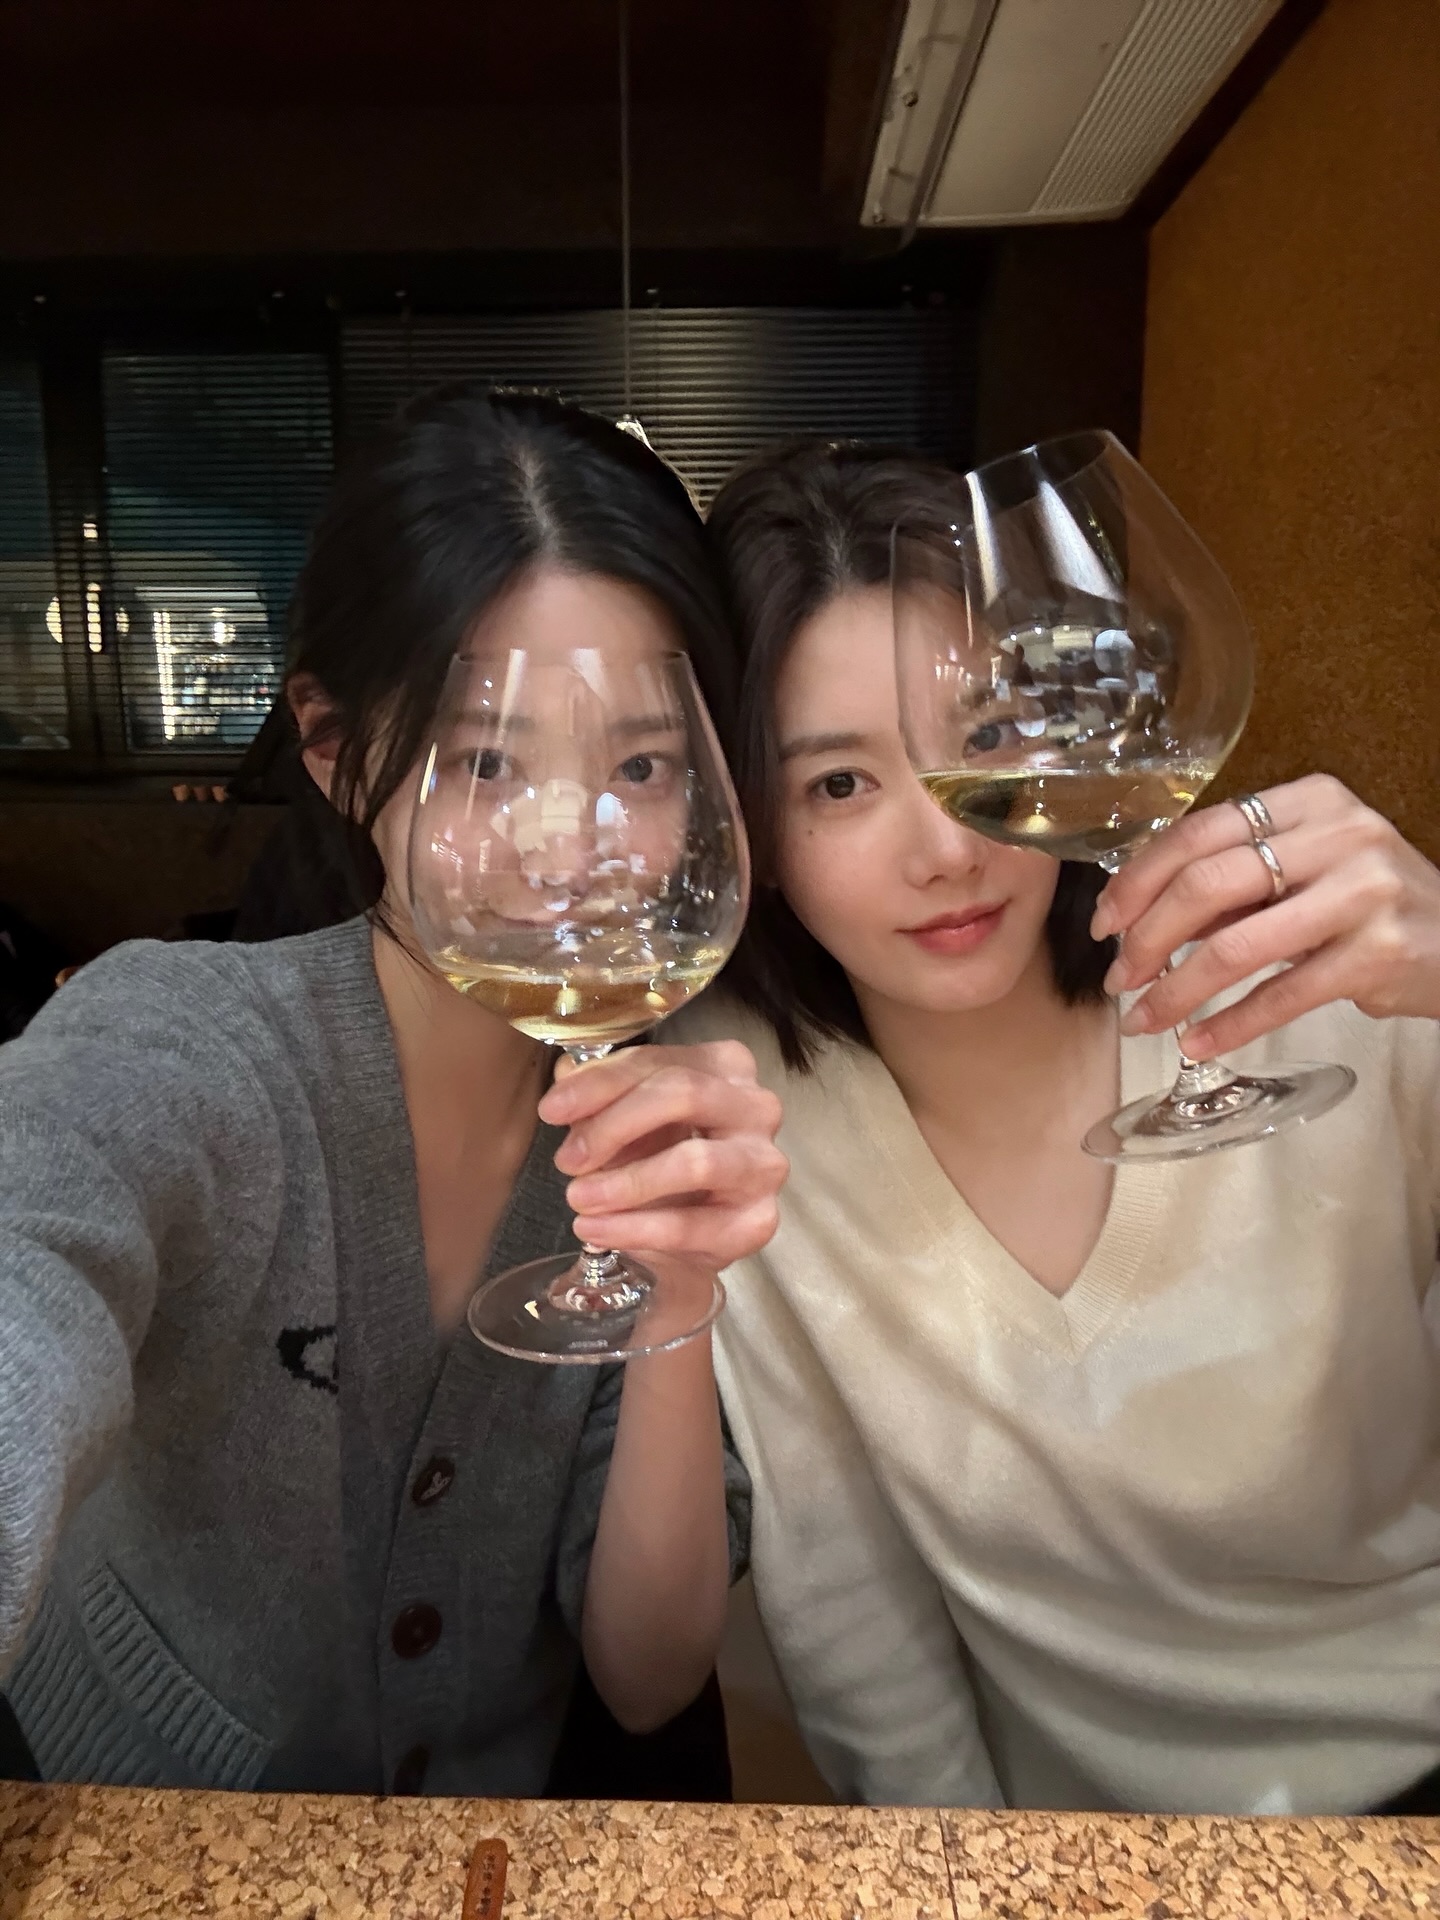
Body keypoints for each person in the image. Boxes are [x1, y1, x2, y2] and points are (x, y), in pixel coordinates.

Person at [0, 385, 786, 1797]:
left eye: (643, 764)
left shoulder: (675, 1118)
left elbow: (649, 1674)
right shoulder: (184, 1042)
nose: (573, 852)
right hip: (121, 1831)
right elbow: (29, 1257)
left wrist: (674, 1292)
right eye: (486, 761)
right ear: (337, 752)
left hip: (482, 1860)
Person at [677, 437, 1440, 1816]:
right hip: (1087, 1869)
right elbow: (856, 1619)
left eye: (985, 741)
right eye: (839, 784)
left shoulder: (1301, 981)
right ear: (752, 836)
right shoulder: (743, 1108)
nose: (950, 847)